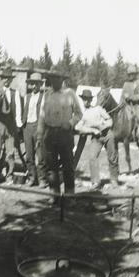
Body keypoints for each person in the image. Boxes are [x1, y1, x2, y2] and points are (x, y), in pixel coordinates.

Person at [37, 68, 83, 201]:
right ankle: (54, 194)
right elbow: (41, 116)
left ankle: (69, 196)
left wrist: (70, 123)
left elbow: (79, 113)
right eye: (52, 78)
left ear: (62, 79)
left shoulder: (70, 94)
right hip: (50, 133)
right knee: (51, 167)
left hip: (65, 134)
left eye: (57, 78)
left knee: (68, 166)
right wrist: (40, 135)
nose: (54, 81)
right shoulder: (47, 95)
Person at [75, 89, 117, 192]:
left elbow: (110, 120)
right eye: (84, 99)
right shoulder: (84, 114)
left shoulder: (98, 109)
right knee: (92, 157)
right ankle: (96, 182)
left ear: (91, 100)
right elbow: (78, 127)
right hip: (96, 138)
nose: (85, 101)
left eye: (87, 99)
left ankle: (114, 179)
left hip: (108, 134)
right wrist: (92, 130)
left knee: (112, 157)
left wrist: (103, 126)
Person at [0, 66, 22, 182]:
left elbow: (18, 110)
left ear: (11, 80)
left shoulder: (15, 93)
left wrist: (18, 126)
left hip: (10, 125)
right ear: (1, 79)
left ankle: (9, 175)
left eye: (9, 78)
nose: (6, 80)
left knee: (10, 151)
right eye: (4, 78)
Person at [22, 72, 46, 186]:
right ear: (30, 85)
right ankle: (32, 178)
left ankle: (42, 179)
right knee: (29, 155)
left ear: (40, 85)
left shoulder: (43, 97)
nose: (34, 86)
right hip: (27, 126)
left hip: (38, 126)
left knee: (40, 155)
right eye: (32, 84)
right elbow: (23, 111)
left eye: (37, 84)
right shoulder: (26, 97)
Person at [120, 65, 139, 141]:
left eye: (132, 74)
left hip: (136, 105)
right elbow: (122, 96)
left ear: (135, 74)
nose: (130, 76)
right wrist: (120, 104)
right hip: (126, 105)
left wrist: (130, 97)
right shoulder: (126, 84)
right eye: (129, 74)